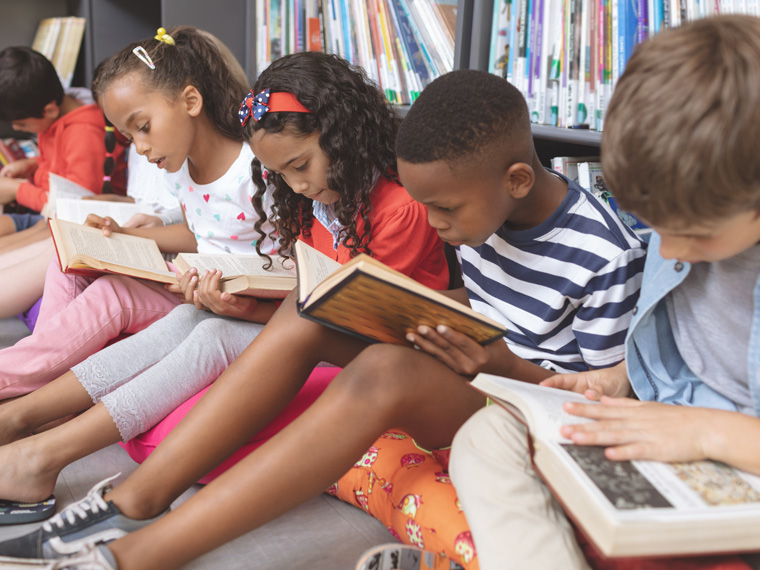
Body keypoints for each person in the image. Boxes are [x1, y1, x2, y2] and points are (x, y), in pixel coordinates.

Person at [0, 67, 646, 569]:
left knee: (385, 370)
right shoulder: (482, 212)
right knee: (310, 308)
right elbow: (485, 302)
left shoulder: (604, 252)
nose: (438, 226)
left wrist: (500, 362)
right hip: (478, 366)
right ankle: (134, 500)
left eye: (444, 211)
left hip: (527, 407)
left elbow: (591, 406)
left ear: (516, 179)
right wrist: (436, 314)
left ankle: (137, 553)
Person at [0, 49, 449, 506]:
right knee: (188, 321)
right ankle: (20, 419)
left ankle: (41, 456)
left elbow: (350, 323)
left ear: (342, 135)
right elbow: (311, 302)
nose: (295, 186)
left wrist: (254, 313)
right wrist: (248, 307)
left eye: (299, 166)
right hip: (316, 333)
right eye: (281, 174)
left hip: (371, 355)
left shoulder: (399, 211)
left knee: (213, 334)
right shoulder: (322, 200)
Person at [447, 15, 760, 570]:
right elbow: (675, 353)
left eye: (694, 233)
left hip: (735, 453)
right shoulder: (685, 217)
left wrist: (707, 432)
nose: (674, 250)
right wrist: (616, 381)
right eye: (658, 228)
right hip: (666, 420)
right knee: (487, 439)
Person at [0, 25, 274, 400]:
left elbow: (285, 262)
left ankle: (18, 378)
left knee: (111, 295)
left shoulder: (255, 171)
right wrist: (122, 234)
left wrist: (228, 293)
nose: (141, 148)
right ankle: (40, 379)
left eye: (143, 128)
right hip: (189, 281)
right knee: (68, 261)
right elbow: (199, 232)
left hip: (221, 299)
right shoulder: (180, 171)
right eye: (130, 138)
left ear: (191, 101)